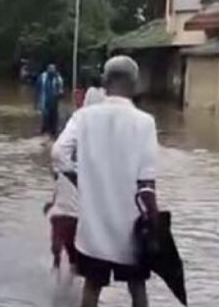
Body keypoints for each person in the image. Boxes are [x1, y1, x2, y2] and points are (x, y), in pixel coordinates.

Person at [52, 55, 158, 307]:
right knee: (137, 288)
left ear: (104, 82)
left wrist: (79, 178)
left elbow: (58, 153)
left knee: (92, 286)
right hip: (130, 226)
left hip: (93, 228)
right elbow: (146, 185)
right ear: (134, 84)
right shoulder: (145, 122)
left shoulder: (83, 117)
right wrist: (154, 223)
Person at [43, 168, 79, 273]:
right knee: (64, 249)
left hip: (70, 217)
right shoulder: (62, 179)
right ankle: (59, 268)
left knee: (65, 249)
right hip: (66, 216)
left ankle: (59, 268)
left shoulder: (62, 178)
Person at [36, 64, 64, 137]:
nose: (52, 71)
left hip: (54, 103)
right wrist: (37, 103)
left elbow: (61, 91)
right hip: (44, 102)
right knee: (45, 119)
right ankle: (44, 134)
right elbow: (37, 89)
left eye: (53, 69)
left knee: (54, 121)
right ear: (47, 69)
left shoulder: (58, 78)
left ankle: (52, 135)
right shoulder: (42, 77)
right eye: (50, 69)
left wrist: (60, 93)